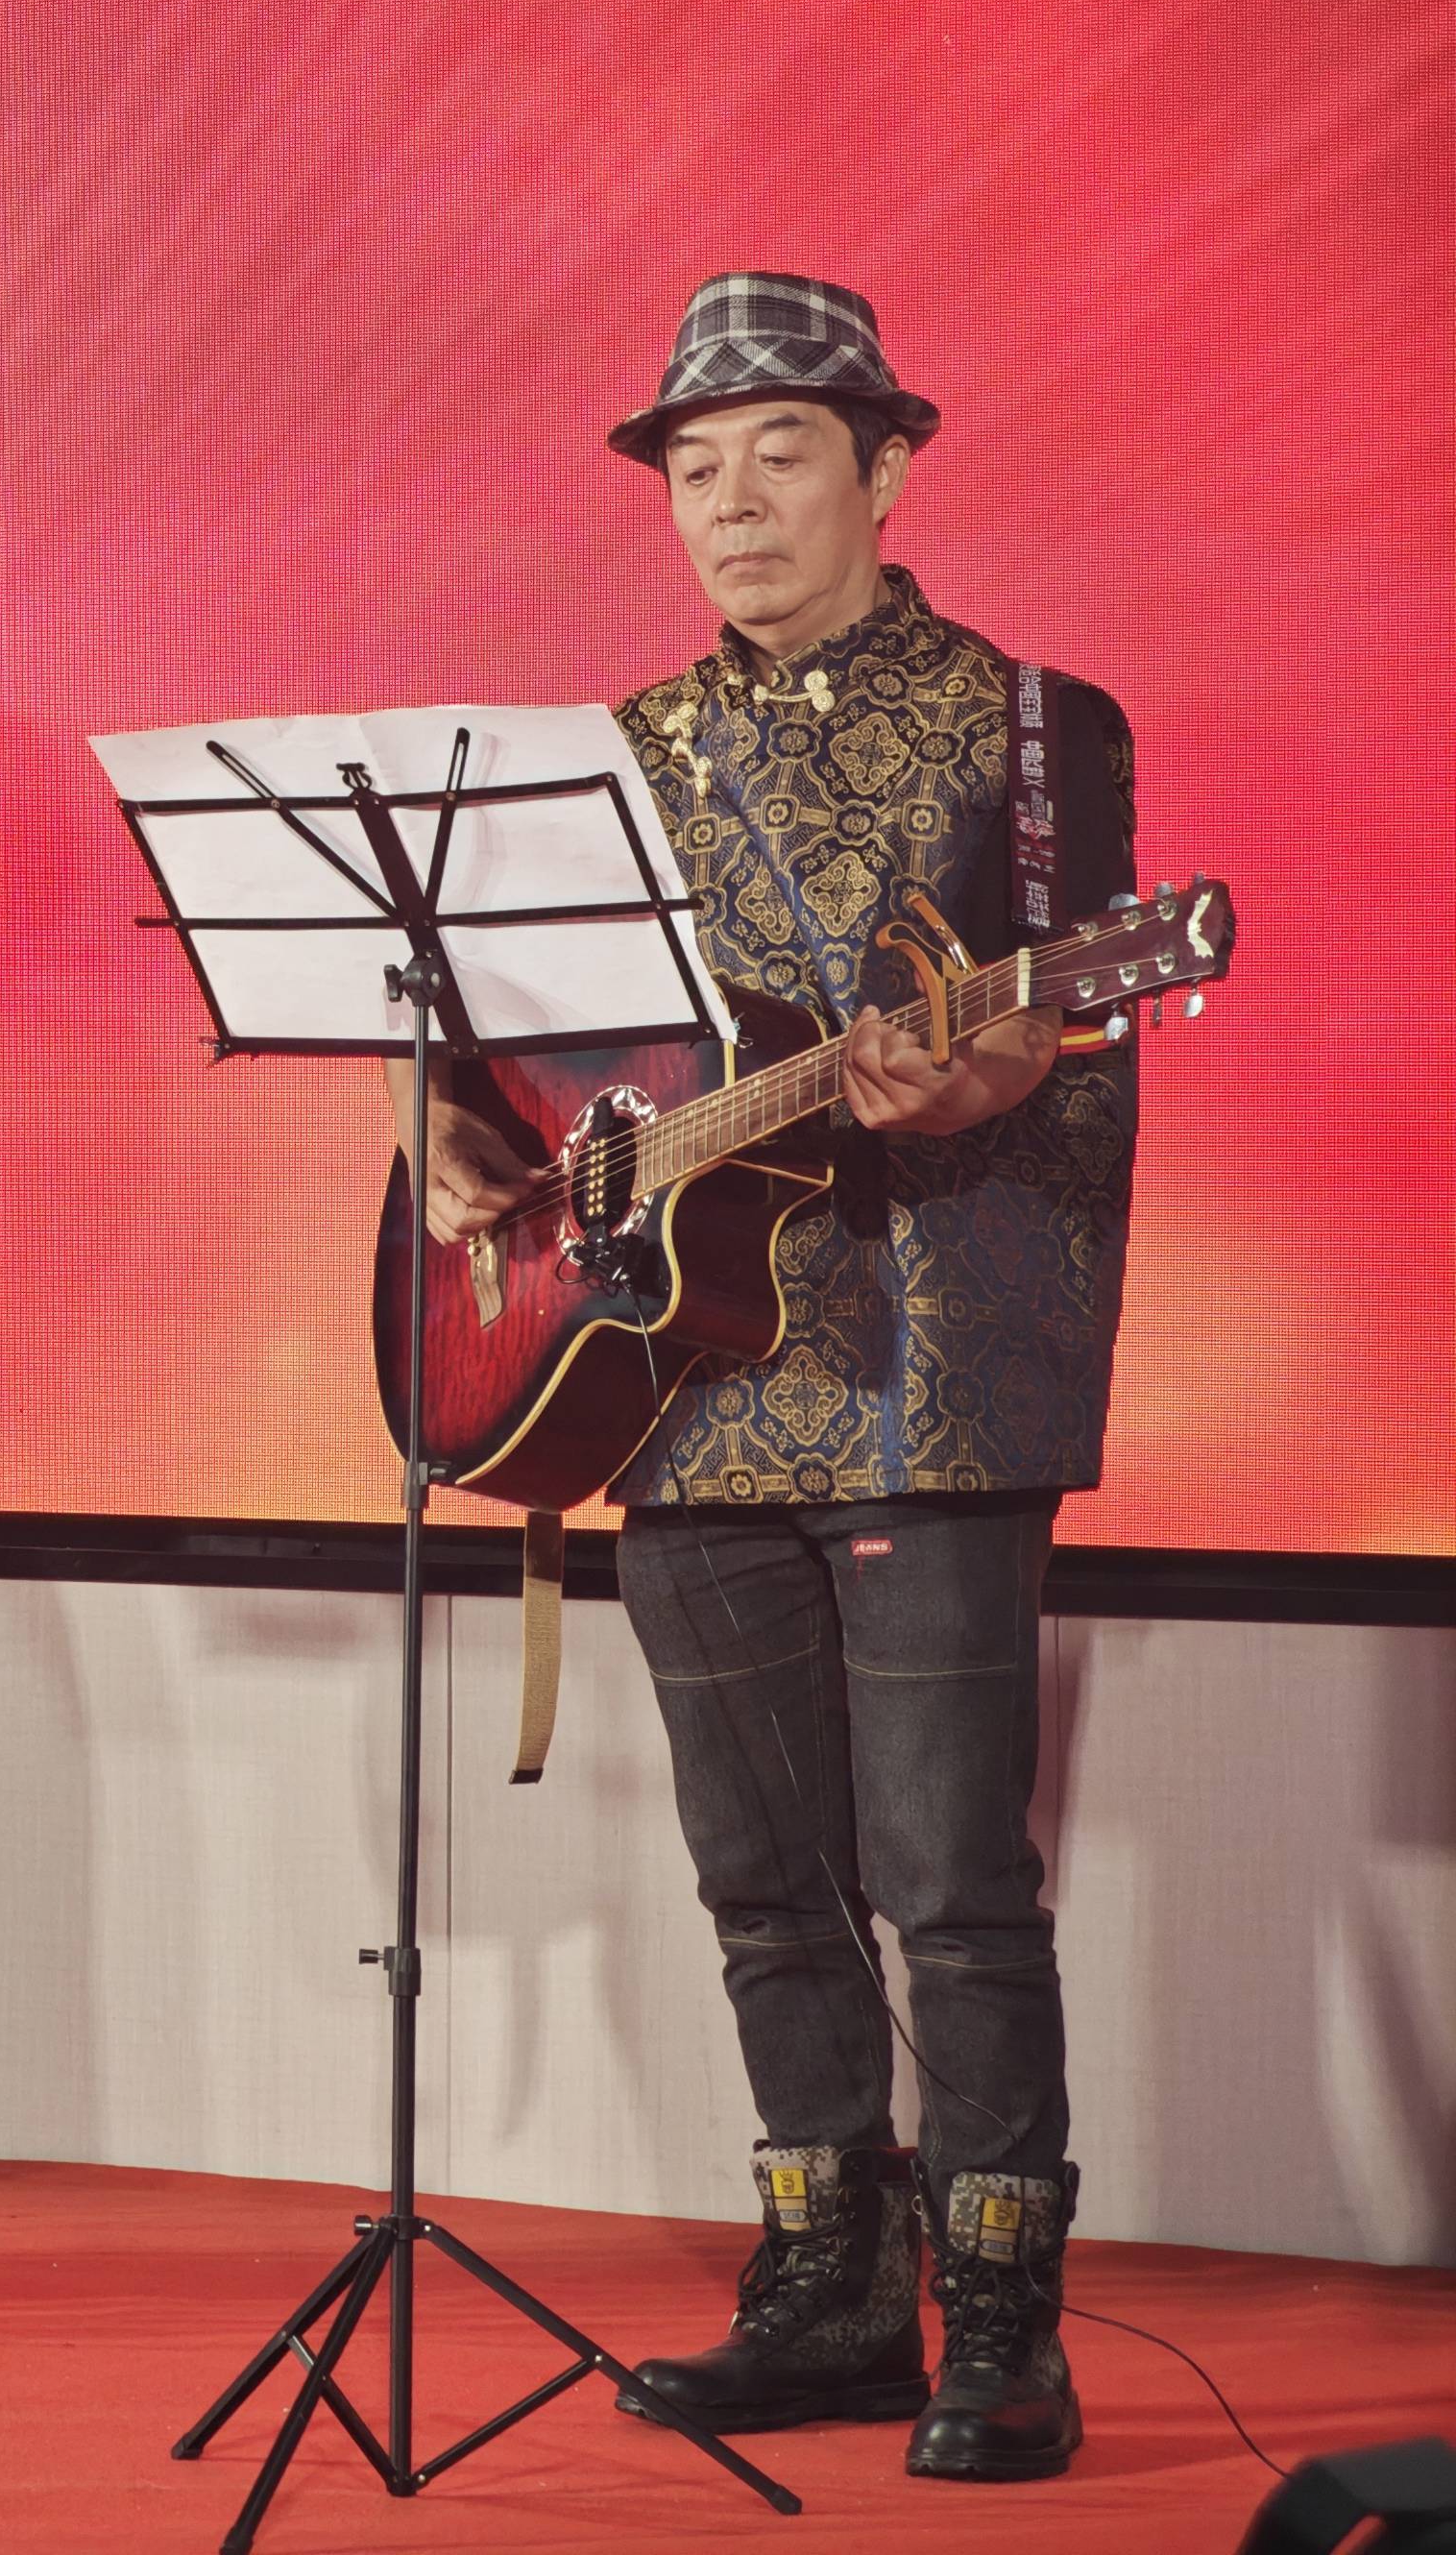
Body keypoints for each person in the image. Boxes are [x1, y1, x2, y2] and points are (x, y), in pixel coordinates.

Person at [415, 277, 1136, 2480]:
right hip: (664, 1368)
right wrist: (449, 1140)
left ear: (884, 469)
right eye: (692, 469)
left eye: (777, 457)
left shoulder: (1031, 725)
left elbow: (1060, 1014)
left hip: (931, 1364)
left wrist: (971, 1067)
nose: (726, 505)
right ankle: (824, 2288)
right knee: (757, 1878)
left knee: (949, 1883)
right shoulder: (606, 752)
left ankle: (999, 2319)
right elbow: (497, 1051)